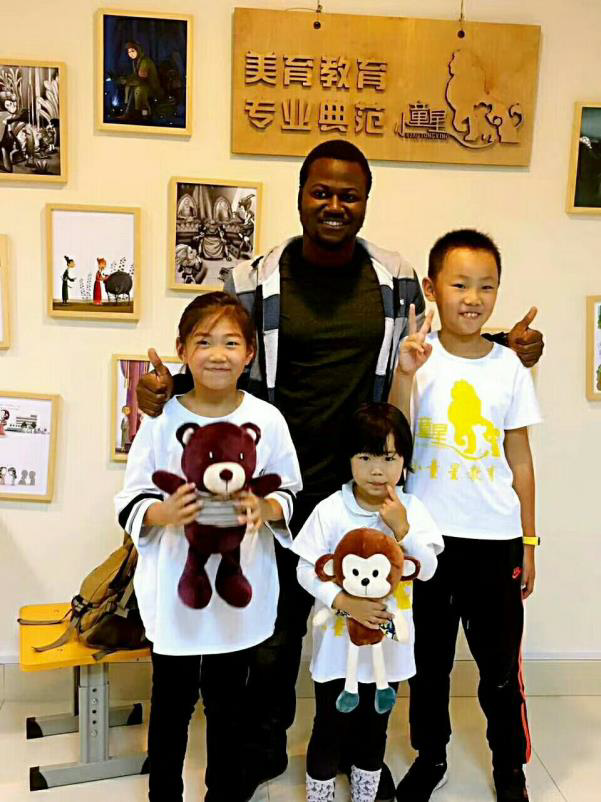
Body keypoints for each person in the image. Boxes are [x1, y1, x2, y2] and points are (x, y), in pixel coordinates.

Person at [136, 141, 545, 802]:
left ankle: (361, 754)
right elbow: (218, 352)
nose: (334, 205)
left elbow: (443, 340)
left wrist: (507, 346)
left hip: (363, 487)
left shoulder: (395, 277)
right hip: (273, 487)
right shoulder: (254, 280)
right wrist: (163, 391)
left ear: (365, 202)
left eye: (348, 194)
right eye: (321, 192)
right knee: (274, 633)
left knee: (368, 626)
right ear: (300, 196)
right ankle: (266, 747)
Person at [115, 291, 302, 802]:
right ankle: (164, 794)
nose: (218, 354)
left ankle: (224, 792)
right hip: (175, 591)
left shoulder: (267, 420)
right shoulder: (161, 420)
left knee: (229, 706)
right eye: (203, 342)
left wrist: (265, 508)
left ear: (250, 354)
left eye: (231, 342)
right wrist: (163, 513)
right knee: (171, 705)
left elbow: (288, 490)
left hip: (238, 595)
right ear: (181, 350)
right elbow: (131, 497)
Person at [393, 229, 542, 802]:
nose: (473, 298)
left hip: (495, 541)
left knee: (499, 669)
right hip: (426, 542)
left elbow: (520, 458)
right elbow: (393, 439)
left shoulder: (509, 367)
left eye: (486, 286)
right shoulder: (416, 357)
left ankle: (510, 767)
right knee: (427, 665)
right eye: (459, 285)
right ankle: (430, 757)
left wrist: (529, 540)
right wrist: (405, 374)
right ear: (432, 289)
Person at [293, 403, 443, 802]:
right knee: (329, 729)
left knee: (375, 732)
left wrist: (403, 530)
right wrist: (343, 601)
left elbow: (427, 570)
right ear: (349, 459)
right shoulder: (330, 510)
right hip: (336, 652)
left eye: (389, 458)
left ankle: (366, 795)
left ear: (404, 461)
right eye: (366, 458)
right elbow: (305, 569)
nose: (378, 470)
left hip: (387, 653)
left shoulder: (412, 510)